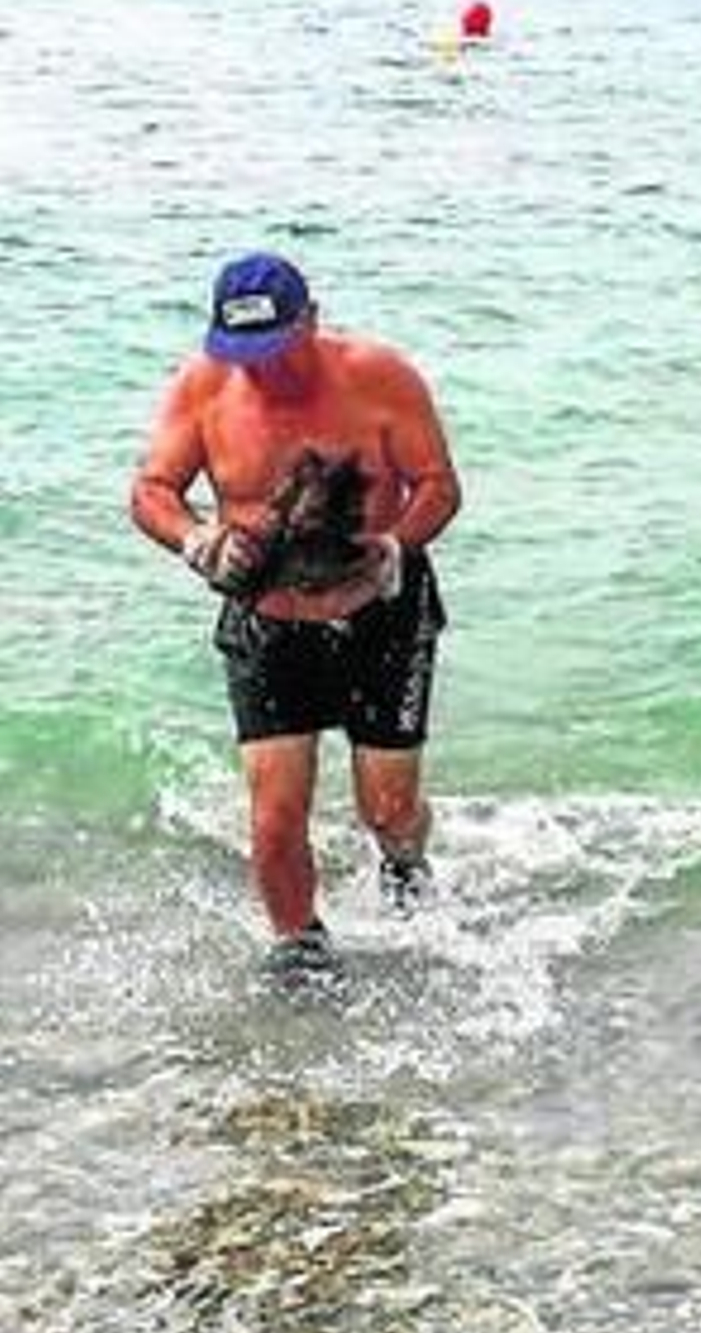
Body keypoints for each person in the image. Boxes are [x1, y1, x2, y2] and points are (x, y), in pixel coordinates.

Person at [131, 252, 461, 970]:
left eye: (276, 349)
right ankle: (300, 951)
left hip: (382, 613)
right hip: (267, 620)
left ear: (310, 320)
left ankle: (404, 862)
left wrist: (395, 547)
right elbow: (152, 490)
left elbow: (437, 485)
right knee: (276, 819)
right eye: (245, 353)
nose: (263, 369)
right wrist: (197, 542)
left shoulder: (380, 378)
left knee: (389, 810)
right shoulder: (203, 388)